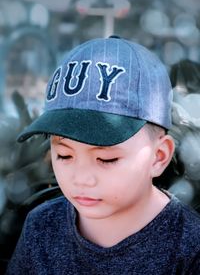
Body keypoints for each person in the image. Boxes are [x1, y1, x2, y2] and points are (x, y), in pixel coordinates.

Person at [6, 36, 200, 274]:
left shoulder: (190, 246)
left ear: (159, 156)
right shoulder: (41, 227)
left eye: (106, 159)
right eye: (64, 156)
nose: (81, 178)